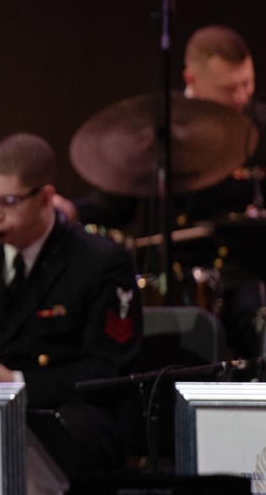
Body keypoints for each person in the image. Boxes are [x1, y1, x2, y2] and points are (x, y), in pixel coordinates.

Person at [56, 25, 266, 362]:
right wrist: (70, 210)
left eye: (248, 82)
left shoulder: (259, 124)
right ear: (192, 79)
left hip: (243, 274)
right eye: (230, 88)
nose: (242, 96)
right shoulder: (158, 129)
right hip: (174, 274)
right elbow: (113, 207)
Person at [0, 133, 143, 477]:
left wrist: (17, 382)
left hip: (74, 409)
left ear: (45, 198)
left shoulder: (102, 261)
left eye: (8, 201)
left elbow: (108, 370)